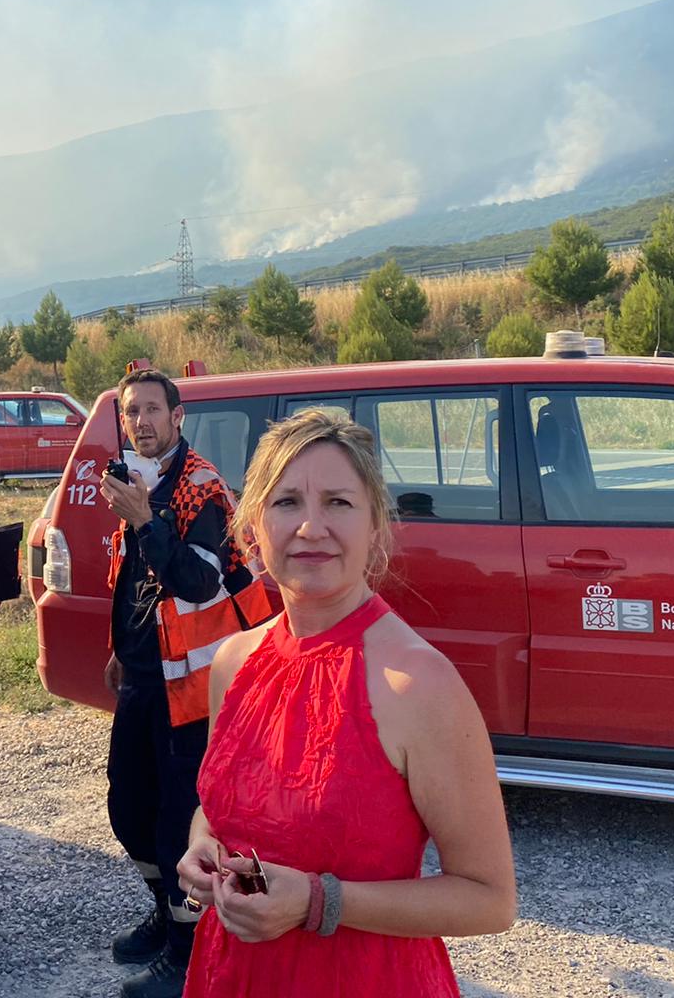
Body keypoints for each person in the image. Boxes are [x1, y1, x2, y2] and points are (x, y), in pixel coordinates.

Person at [175, 408, 517, 997]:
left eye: (338, 502)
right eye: (286, 503)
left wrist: (320, 902)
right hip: (234, 975)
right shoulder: (231, 662)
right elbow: (221, 805)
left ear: (376, 527)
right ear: (252, 529)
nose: (310, 527)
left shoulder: (418, 684)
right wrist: (201, 848)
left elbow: (489, 901)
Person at [98, 368, 267, 998]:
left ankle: (188, 948)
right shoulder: (132, 479)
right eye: (130, 412)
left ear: (178, 417)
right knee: (128, 806)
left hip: (194, 690)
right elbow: (127, 577)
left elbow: (199, 581)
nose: (140, 421)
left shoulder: (203, 488)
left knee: (180, 821)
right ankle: (165, 908)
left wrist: (146, 520)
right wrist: (119, 650)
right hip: (144, 674)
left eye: (151, 410)